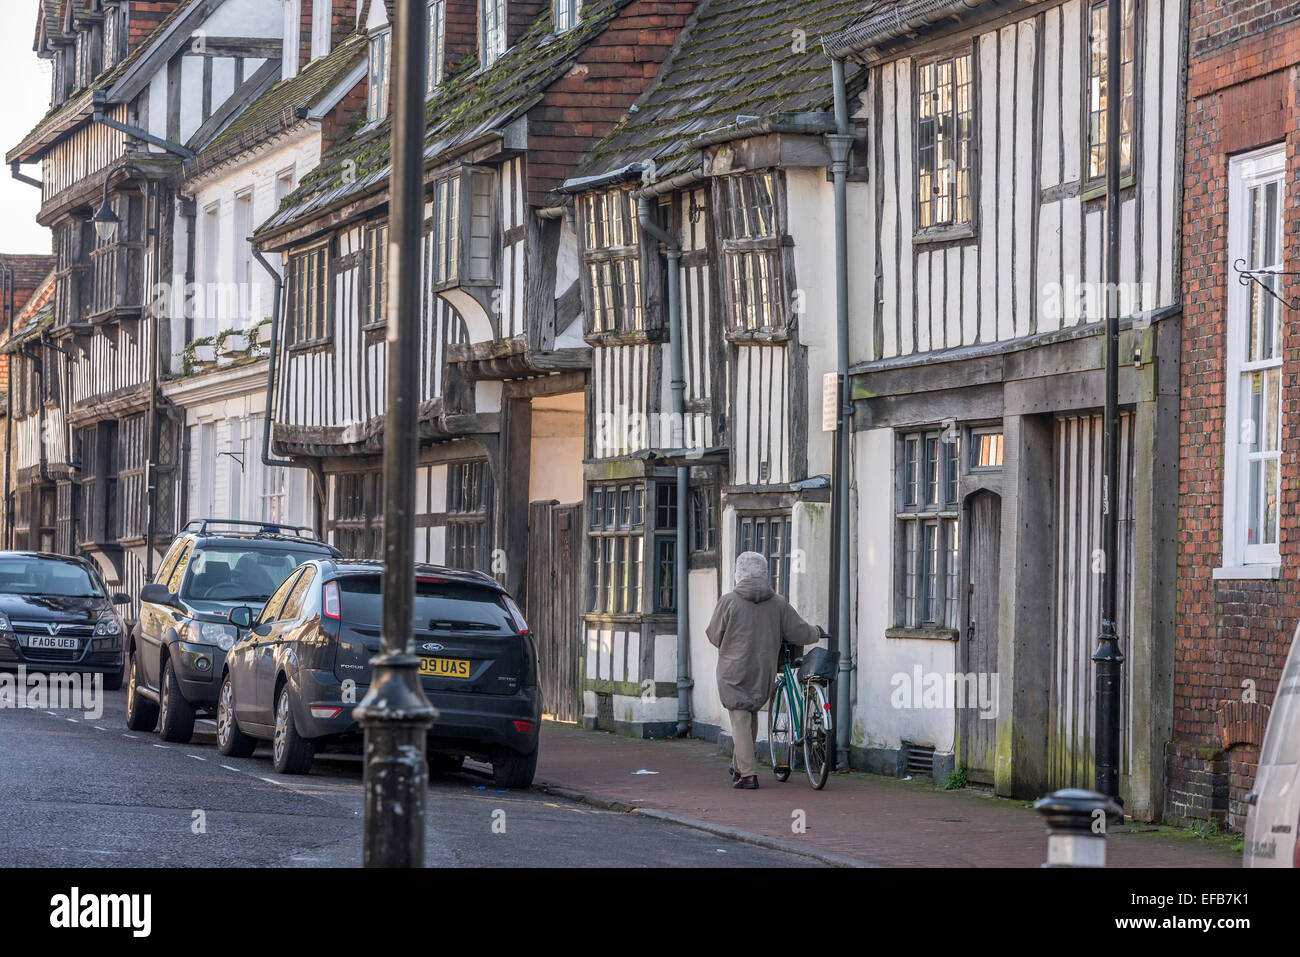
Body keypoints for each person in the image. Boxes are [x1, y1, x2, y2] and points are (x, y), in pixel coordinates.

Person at [705, 551, 824, 789]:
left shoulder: (728, 601)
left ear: (739, 574)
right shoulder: (778, 603)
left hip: (733, 669)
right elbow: (799, 632)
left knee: (739, 718)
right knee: (749, 715)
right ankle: (739, 767)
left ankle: (748, 774)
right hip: (764, 668)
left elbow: (713, 635)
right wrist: (817, 632)